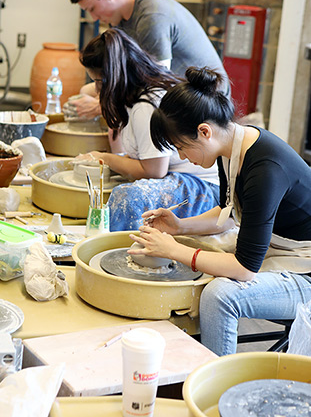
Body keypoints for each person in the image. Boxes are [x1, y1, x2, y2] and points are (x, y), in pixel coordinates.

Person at [128, 67, 311, 356]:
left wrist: (175, 250)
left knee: (219, 295)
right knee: (201, 252)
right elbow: (230, 214)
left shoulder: (265, 169)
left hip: (306, 271)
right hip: (280, 250)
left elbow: (244, 269)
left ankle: (213, 389)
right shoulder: (233, 147)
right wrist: (179, 227)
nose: (182, 157)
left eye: (181, 147)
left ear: (204, 131)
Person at [76, 29, 220, 231]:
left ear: (115, 77)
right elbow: (128, 153)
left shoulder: (146, 104)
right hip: (181, 178)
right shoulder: (135, 93)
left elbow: (154, 171)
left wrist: (104, 158)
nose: (97, 90)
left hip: (207, 190)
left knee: (128, 197)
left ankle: (113, 252)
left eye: (99, 82)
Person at [66, 0, 230, 119]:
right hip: (171, 92)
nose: (94, 17)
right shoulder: (118, 19)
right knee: (87, 91)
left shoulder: (152, 17)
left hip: (206, 105)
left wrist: (100, 106)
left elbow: (156, 89)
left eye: (92, 8)